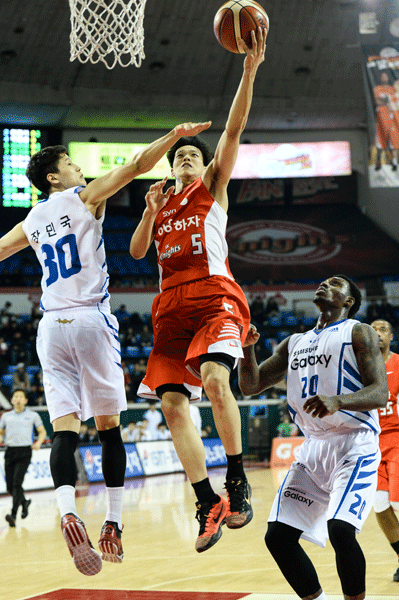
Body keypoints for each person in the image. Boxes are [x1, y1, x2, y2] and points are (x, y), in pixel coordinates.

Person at [0, 120, 211, 576]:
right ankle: (112, 522)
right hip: (91, 320)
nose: (79, 169)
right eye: (72, 165)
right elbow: (137, 165)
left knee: (64, 429)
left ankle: (66, 512)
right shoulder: (83, 198)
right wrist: (174, 137)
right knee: (110, 426)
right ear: (55, 178)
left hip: (50, 325)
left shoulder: (32, 219)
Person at [129, 27, 267, 553]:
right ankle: (206, 498)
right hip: (169, 307)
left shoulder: (212, 186)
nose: (184, 158)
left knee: (213, 378)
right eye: (178, 156)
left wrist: (248, 69)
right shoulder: (161, 208)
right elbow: (139, 253)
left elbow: (232, 130)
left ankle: (236, 477)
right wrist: (147, 212)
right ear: (169, 167)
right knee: (169, 404)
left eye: (191, 155)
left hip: (214, 295)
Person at [238, 275, 388, 600]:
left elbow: (380, 392)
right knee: (277, 536)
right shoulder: (294, 343)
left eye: (334, 283)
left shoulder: (357, 332)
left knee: (341, 530)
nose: (324, 284)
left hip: (354, 443)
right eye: (323, 281)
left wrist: (338, 401)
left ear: (349, 301)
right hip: (313, 448)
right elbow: (250, 385)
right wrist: (246, 349)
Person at [370, 319, 399, 582]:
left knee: (398, 503)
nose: (377, 333)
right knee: (379, 506)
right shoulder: (360, 368)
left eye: (382, 329)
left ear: (390, 336)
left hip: (398, 439)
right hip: (371, 443)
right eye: (373, 329)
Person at [0, 388, 46, 527]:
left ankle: (13, 514)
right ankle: (24, 502)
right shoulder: (5, 416)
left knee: (16, 483)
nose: (18, 398)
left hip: (25, 452)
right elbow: (1, 432)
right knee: (9, 487)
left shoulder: (33, 415)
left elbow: (42, 431)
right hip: (10, 451)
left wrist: (38, 442)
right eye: (15, 396)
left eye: (21, 396)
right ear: (12, 400)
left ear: (25, 400)